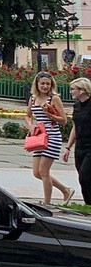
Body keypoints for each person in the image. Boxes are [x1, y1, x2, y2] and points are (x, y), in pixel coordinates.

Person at [26, 71, 74, 205]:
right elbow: (28, 115)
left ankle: (47, 203)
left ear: (51, 85)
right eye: (42, 83)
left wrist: (50, 115)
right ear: (37, 84)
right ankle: (65, 190)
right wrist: (30, 125)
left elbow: (64, 120)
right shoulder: (33, 98)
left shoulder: (54, 99)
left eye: (48, 84)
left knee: (43, 171)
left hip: (52, 136)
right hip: (39, 136)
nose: (45, 86)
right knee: (36, 173)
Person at [63, 76, 91, 203]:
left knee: (85, 176)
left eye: (73, 89)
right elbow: (75, 126)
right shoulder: (77, 106)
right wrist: (68, 147)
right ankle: (88, 204)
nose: (70, 92)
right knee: (81, 176)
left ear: (82, 90)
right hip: (80, 145)